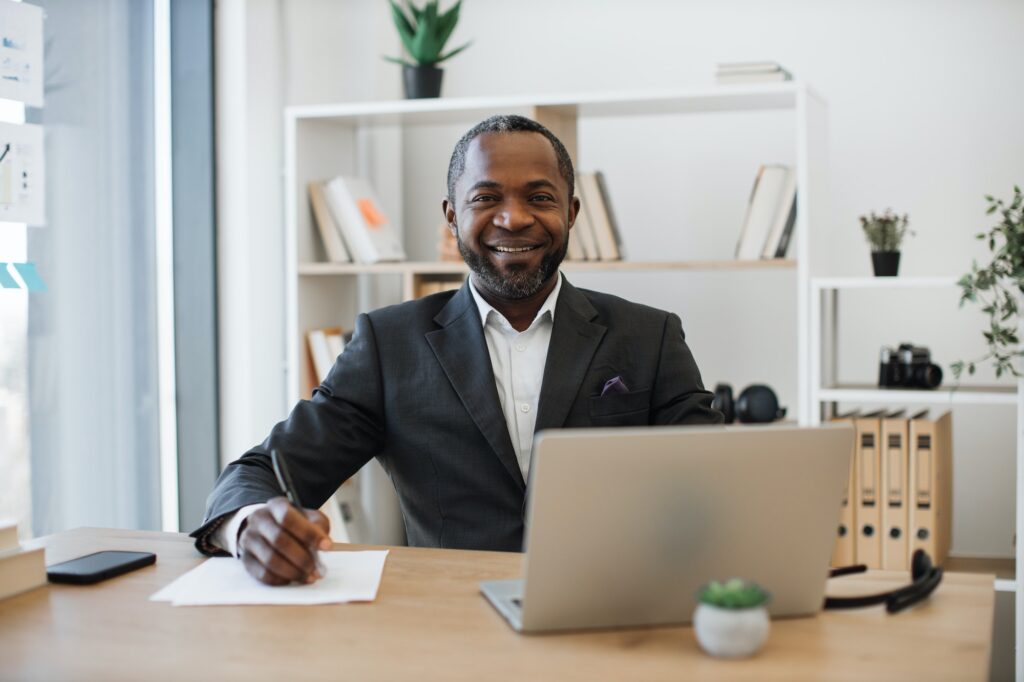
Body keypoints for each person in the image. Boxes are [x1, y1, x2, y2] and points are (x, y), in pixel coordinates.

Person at [191, 114, 722, 585]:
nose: (513, 218)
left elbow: (717, 480)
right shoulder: (387, 345)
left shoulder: (648, 336)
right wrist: (248, 526)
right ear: (451, 216)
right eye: (486, 198)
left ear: (572, 211)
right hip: (449, 624)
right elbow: (259, 470)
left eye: (539, 197)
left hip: (613, 612)